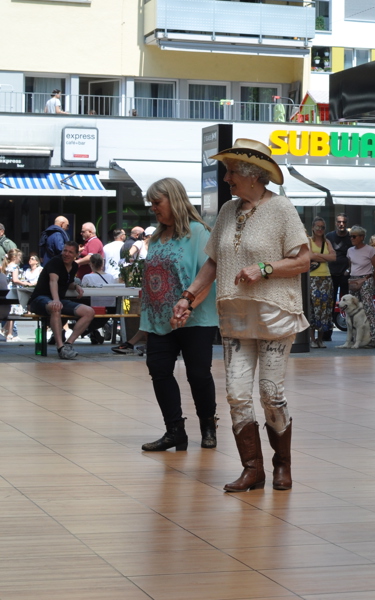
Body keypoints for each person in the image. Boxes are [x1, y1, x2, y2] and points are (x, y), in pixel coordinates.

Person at [172, 139, 310, 492]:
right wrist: (188, 297)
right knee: (236, 394)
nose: (227, 178)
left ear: (253, 176)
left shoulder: (281, 209)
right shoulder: (228, 212)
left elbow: (302, 260)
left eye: (231, 171)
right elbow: (214, 262)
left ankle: (282, 466)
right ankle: (253, 469)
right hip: (235, 315)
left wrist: (264, 268)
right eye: (227, 171)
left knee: (269, 392)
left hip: (274, 314)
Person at [138, 178, 219, 453]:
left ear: (174, 200)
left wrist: (189, 306)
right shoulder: (157, 237)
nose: (153, 209)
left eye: (157, 203)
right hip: (159, 320)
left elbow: (207, 277)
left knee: (198, 374)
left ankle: (208, 425)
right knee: (159, 370)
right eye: (151, 204)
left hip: (195, 319)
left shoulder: (199, 233)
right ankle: (175, 431)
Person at [27, 241, 94, 359]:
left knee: (89, 312)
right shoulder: (56, 261)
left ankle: (68, 344)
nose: (66, 254)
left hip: (58, 299)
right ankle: (60, 347)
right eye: (65, 251)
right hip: (39, 299)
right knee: (55, 307)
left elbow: (68, 282)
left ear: (76, 255)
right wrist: (56, 300)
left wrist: (76, 286)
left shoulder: (74, 266)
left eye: (70, 252)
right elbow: (53, 281)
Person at [345, 225, 375, 349]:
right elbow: (351, 266)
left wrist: (372, 281)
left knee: (368, 309)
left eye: (354, 236)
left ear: (362, 237)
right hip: (353, 280)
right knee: (352, 310)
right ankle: (354, 340)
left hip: (365, 279)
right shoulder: (350, 250)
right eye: (351, 236)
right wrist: (348, 272)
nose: (352, 239)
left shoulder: (369, 250)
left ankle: (373, 339)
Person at [307, 216, 336, 348]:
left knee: (325, 308)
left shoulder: (327, 241)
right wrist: (325, 257)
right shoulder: (308, 241)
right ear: (313, 227)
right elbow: (309, 256)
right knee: (313, 307)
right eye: (317, 226)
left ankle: (320, 338)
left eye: (322, 227)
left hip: (326, 278)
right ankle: (312, 338)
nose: (320, 229)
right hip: (313, 277)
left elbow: (333, 257)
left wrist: (317, 256)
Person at [81, 253, 116, 344]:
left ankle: (90, 330)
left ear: (91, 264)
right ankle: (93, 330)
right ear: (102, 264)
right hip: (109, 308)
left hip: (92, 307)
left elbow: (83, 294)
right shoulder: (110, 277)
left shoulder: (87, 277)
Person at [325, 214, 352, 302]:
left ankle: (346, 316)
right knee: (331, 299)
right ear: (336, 223)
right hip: (331, 273)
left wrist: (349, 270)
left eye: (344, 222)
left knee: (346, 300)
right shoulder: (329, 236)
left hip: (345, 274)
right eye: (339, 222)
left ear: (347, 224)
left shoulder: (351, 237)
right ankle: (332, 316)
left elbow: (354, 255)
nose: (341, 224)